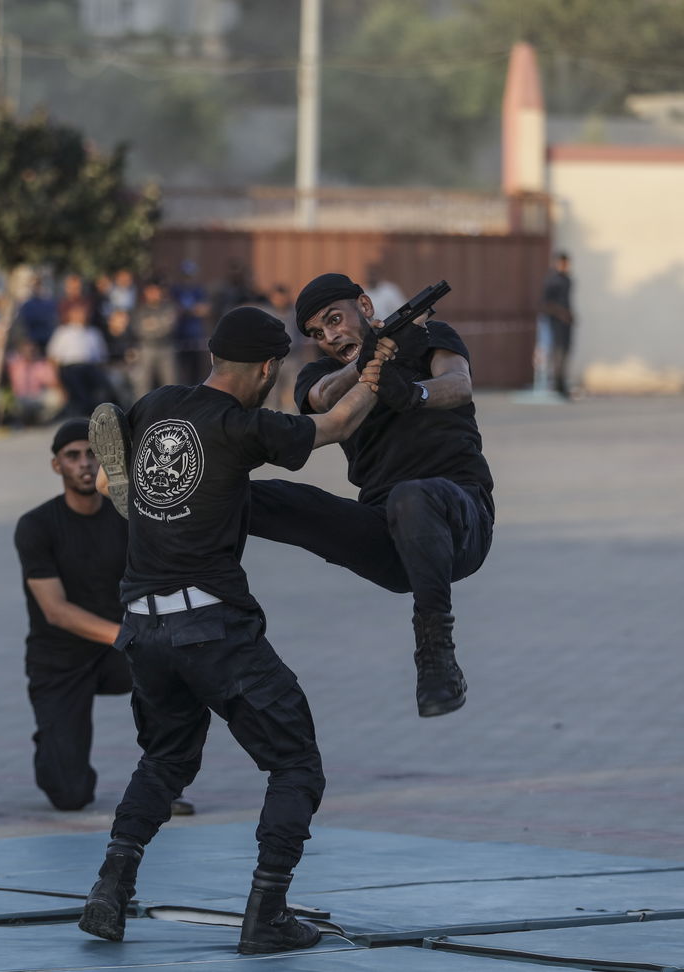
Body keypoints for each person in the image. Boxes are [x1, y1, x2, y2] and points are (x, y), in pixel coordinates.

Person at [79, 306, 383, 954]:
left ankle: (110, 887)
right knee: (295, 762)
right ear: (269, 368)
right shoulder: (244, 427)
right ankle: (266, 914)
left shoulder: (159, 402)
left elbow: (114, 476)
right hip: (211, 626)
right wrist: (373, 375)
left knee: (164, 759)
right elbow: (334, 424)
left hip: (142, 625)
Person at [249, 272, 495, 719]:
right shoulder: (319, 373)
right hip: (388, 533)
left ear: (365, 306)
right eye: (318, 333)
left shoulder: (428, 335)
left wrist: (414, 393)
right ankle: (169, 502)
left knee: (413, 497)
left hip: (462, 518)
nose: (329, 335)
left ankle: (436, 653)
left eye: (335, 319)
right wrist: (367, 366)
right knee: (276, 499)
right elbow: (323, 400)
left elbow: (458, 384)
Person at [15, 420, 193, 814]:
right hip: (58, 659)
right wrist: (128, 635)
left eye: (91, 453)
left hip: (118, 651)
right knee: (70, 795)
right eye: (72, 456)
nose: (83, 463)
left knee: (178, 674)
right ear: (56, 465)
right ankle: (55, 738)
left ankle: (162, 782)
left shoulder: (127, 519)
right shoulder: (36, 526)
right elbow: (55, 611)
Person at [540, 252, 573, 399]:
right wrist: (561, 313)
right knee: (557, 353)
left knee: (565, 352)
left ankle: (562, 384)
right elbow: (545, 304)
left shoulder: (567, 280)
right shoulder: (552, 281)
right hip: (555, 323)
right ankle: (556, 385)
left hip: (566, 324)